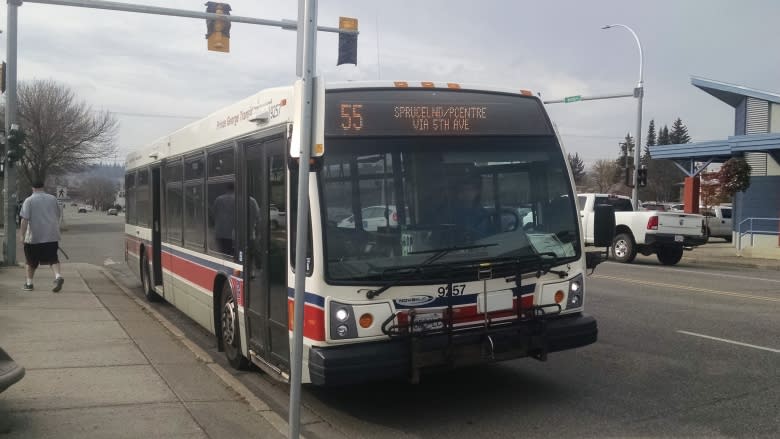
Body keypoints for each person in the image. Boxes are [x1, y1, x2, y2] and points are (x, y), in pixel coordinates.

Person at [18, 181, 64, 292]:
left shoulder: (29, 200)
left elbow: (24, 219)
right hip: (51, 235)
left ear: (32, 188)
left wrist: (22, 235)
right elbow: (58, 214)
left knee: (30, 261)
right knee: (53, 258)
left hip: (34, 237)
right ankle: (58, 276)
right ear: (43, 187)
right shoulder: (52, 199)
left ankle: (29, 283)